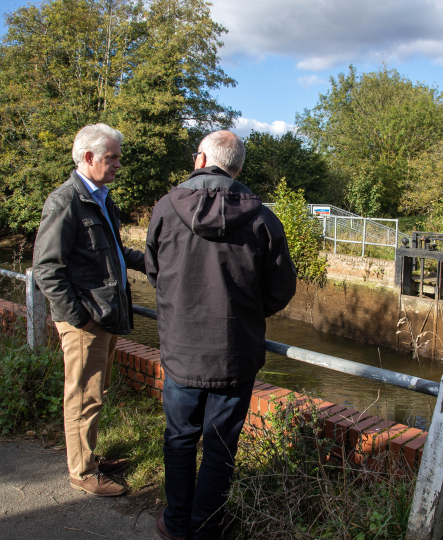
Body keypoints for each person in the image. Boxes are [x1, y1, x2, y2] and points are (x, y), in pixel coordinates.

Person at [145, 130, 297, 539]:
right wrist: (245, 314)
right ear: (238, 168)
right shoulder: (263, 218)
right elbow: (281, 288)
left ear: (200, 160)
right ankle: (207, 526)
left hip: (181, 349)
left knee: (180, 439)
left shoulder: (166, 208)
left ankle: (177, 523)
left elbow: (155, 272)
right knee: (220, 445)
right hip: (234, 351)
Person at [33, 123, 145, 497]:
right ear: (88, 157)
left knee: (96, 390)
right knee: (83, 396)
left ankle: (89, 458)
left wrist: (155, 262)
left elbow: (114, 252)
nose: (118, 164)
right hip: (87, 319)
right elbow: (46, 269)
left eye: (118, 157)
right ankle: (82, 472)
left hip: (103, 314)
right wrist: (78, 317)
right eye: (112, 157)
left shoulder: (100, 198)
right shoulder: (65, 201)